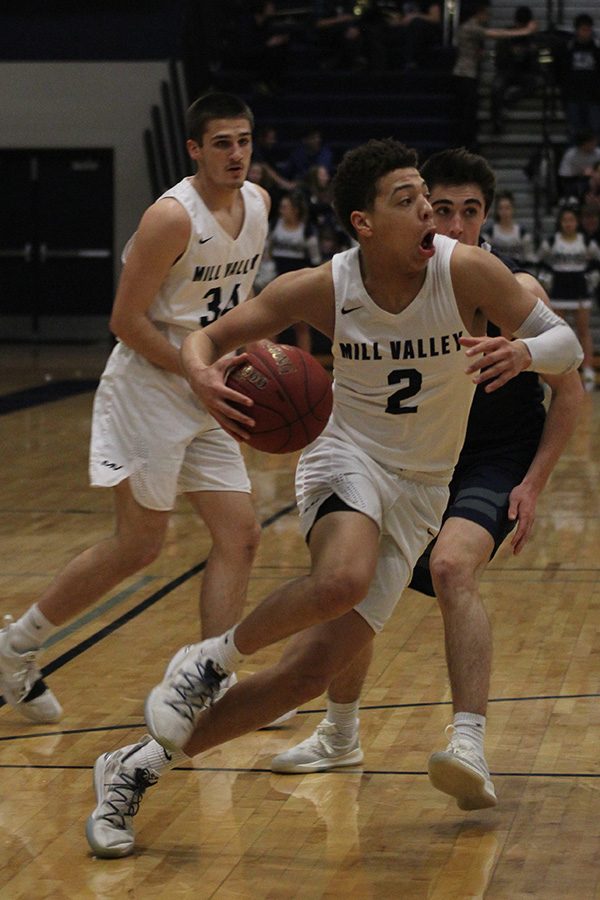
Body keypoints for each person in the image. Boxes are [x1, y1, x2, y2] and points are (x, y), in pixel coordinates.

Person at [85, 138, 582, 858]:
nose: (427, 214)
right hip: (345, 454)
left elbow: (566, 344)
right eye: (407, 200)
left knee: (306, 674)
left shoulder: (467, 270)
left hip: (421, 488)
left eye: (427, 198)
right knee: (343, 575)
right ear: (364, 223)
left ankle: (132, 768)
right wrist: (200, 377)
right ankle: (211, 661)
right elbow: (209, 338)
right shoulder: (325, 286)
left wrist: (526, 352)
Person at [269, 149, 584, 811]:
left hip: (491, 460)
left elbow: (571, 391)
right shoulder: (384, 280)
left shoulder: (509, 288)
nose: (458, 223)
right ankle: (339, 733)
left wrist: (533, 483)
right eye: (443, 209)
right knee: (349, 587)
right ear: (417, 212)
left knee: (451, 569)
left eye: (472, 211)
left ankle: (468, 742)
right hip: (403, 459)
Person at [0, 92, 269, 725]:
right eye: (222, 143)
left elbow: (233, 306)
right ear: (195, 150)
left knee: (242, 533)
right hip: (149, 388)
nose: (236, 154)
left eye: (245, 141)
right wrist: (195, 370)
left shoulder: (256, 204)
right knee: (140, 544)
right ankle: (15, 647)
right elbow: (125, 322)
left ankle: (209, 681)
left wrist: (248, 358)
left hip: (207, 384)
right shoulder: (171, 218)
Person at [452, 0, 537, 151]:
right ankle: (465, 145)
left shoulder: (472, 27)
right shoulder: (470, 27)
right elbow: (495, 35)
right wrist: (525, 31)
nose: (489, 16)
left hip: (472, 73)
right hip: (465, 74)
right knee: (466, 114)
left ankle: (467, 144)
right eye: (486, 13)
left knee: (470, 114)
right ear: (480, 12)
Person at [538, 203, 600, 391]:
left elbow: (596, 263)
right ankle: (555, 368)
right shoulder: (551, 242)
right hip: (558, 290)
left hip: (579, 290)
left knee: (583, 330)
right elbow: (542, 262)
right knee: (556, 332)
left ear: (577, 222)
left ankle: (587, 368)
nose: (568, 224)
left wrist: (592, 279)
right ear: (560, 222)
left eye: (571, 220)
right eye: (565, 220)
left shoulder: (587, 242)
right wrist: (545, 279)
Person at [268, 190, 322, 353]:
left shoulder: (307, 230)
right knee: (271, 324)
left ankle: (306, 362)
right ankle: (270, 362)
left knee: (301, 325)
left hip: (299, 281)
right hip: (277, 279)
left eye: (285, 207)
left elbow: (315, 260)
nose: (281, 210)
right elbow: (267, 250)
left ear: (295, 209)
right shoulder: (275, 225)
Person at [489, 5, 539, 134]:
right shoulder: (508, 34)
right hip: (506, 71)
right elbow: (499, 59)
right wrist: (511, 54)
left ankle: (508, 100)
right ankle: (496, 122)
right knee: (496, 88)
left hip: (524, 72)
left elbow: (536, 62)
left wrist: (530, 52)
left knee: (534, 83)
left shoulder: (531, 38)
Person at [553, 13, 600, 142]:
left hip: (593, 98)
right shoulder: (567, 49)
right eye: (583, 30)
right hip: (573, 97)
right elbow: (559, 71)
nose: (586, 33)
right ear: (576, 30)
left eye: (588, 30)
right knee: (574, 132)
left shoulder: (596, 50)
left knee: (594, 131)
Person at [483, 189, 536, 267]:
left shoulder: (522, 233)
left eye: (507, 208)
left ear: (513, 209)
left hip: (517, 271)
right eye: (501, 208)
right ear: (497, 210)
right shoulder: (490, 233)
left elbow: (529, 258)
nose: (504, 212)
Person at [557, 130, 600, 203]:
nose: (594, 144)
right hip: (575, 181)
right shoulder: (571, 155)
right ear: (583, 144)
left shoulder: (598, 152)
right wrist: (583, 174)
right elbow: (564, 176)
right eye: (591, 143)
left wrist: (593, 173)